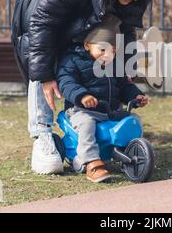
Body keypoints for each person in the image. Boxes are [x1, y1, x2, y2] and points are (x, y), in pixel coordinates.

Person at [11, 0, 162, 174]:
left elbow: (125, 25)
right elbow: (42, 21)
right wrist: (46, 76)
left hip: (76, 11)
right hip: (37, 7)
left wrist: (127, 68)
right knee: (44, 69)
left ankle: (103, 134)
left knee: (102, 51)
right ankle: (43, 136)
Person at [56, 15, 148, 183]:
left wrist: (135, 95)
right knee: (86, 124)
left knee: (133, 119)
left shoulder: (115, 65)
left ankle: (130, 150)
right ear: (87, 45)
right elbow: (66, 82)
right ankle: (91, 162)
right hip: (82, 110)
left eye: (113, 50)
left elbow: (124, 86)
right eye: (102, 50)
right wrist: (82, 95)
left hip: (110, 110)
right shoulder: (73, 61)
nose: (108, 55)